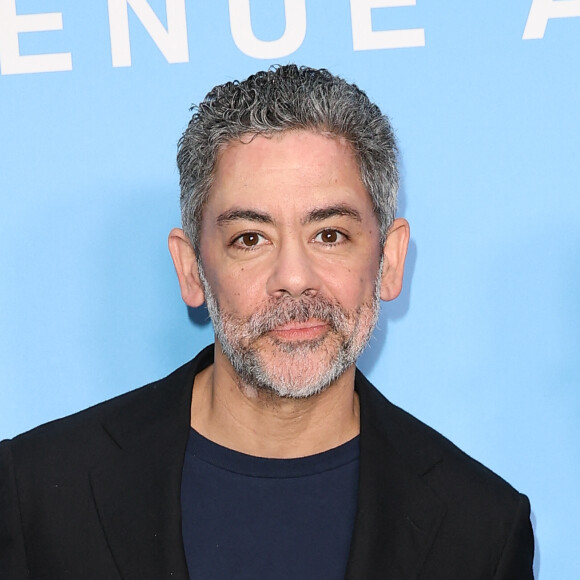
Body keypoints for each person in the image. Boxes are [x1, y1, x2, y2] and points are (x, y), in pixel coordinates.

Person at [0, 65, 534, 579]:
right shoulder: (35, 495)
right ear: (192, 270)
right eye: (250, 239)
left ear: (390, 262)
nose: (295, 279)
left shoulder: (482, 527)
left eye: (330, 234)